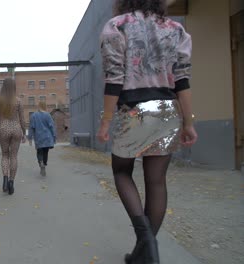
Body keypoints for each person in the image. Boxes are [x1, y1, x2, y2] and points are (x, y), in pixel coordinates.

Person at [96, 0, 198, 263]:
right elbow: (182, 81)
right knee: (156, 182)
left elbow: (114, 78)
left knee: (121, 171)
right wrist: (188, 122)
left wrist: (106, 120)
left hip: (133, 110)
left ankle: (146, 242)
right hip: (167, 110)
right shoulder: (176, 30)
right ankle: (146, 251)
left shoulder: (117, 26)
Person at [0, 78, 26, 195]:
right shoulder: (18, 101)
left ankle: (5, 179)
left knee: (5, 155)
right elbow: (22, 119)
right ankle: (11, 182)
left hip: (4, 129)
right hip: (16, 129)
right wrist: (24, 133)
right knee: (14, 156)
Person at [28, 101, 56, 176]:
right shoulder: (48, 115)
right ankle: (44, 163)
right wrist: (54, 136)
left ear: (38, 106)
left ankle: (41, 162)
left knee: (39, 152)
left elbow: (31, 128)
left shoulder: (33, 115)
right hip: (47, 137)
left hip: (38, 137)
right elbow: (52, 126)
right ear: (45, 106)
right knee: (45, 152)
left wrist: (30, 138)